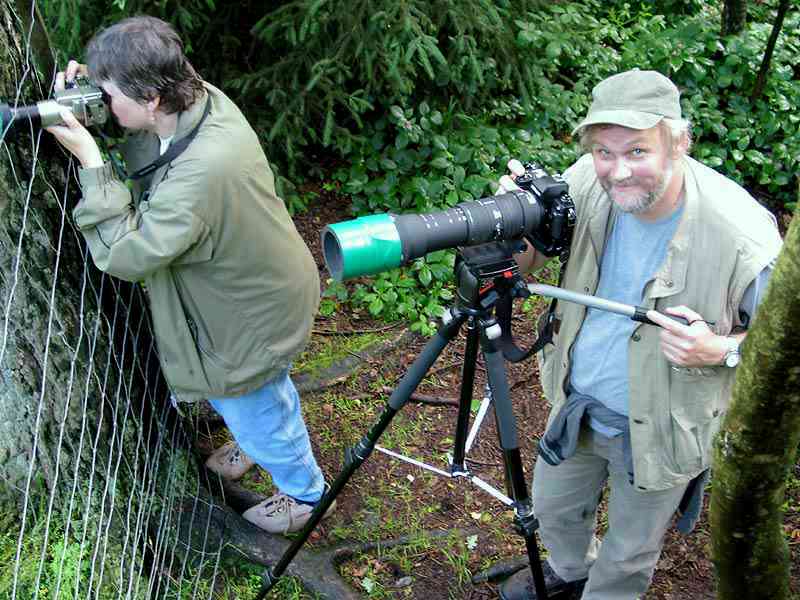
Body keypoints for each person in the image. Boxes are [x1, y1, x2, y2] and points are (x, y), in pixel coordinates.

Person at [497, 69, 782, 599]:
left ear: (678, 143)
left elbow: (786, 346)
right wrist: (516, 222)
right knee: (554, 510)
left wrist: (720, 350)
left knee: (628, 554)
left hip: (665, 424)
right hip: (576, 402)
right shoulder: (585, 178)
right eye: (605, 151)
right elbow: (531, 260)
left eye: (636, 152)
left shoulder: (740, 234)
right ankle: (572, 572)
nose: (617, 171)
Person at [46, 16, 333, 535]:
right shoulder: (196, 99)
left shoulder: (201, 174)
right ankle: (256, 443)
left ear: (152, 98)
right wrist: (98, 89)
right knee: (264, 396)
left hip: (245, 321)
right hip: (257, 287)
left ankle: (305, 494)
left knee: (260, 410)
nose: (106, 105)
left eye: (108, 96)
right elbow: (154, 148)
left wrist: (91, 160)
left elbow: (129, 254)